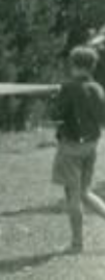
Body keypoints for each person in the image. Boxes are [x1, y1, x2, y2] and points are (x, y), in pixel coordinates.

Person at [51, 46, 105, 254]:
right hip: (91, 146)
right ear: (92, 66)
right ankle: (77, 243)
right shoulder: (98, 88)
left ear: (73, 64)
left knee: (73, 195)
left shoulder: (68, 87)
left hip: (71, 147)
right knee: (85, 192)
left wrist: (56, 98)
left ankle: (76, 244)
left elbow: (55, 115)